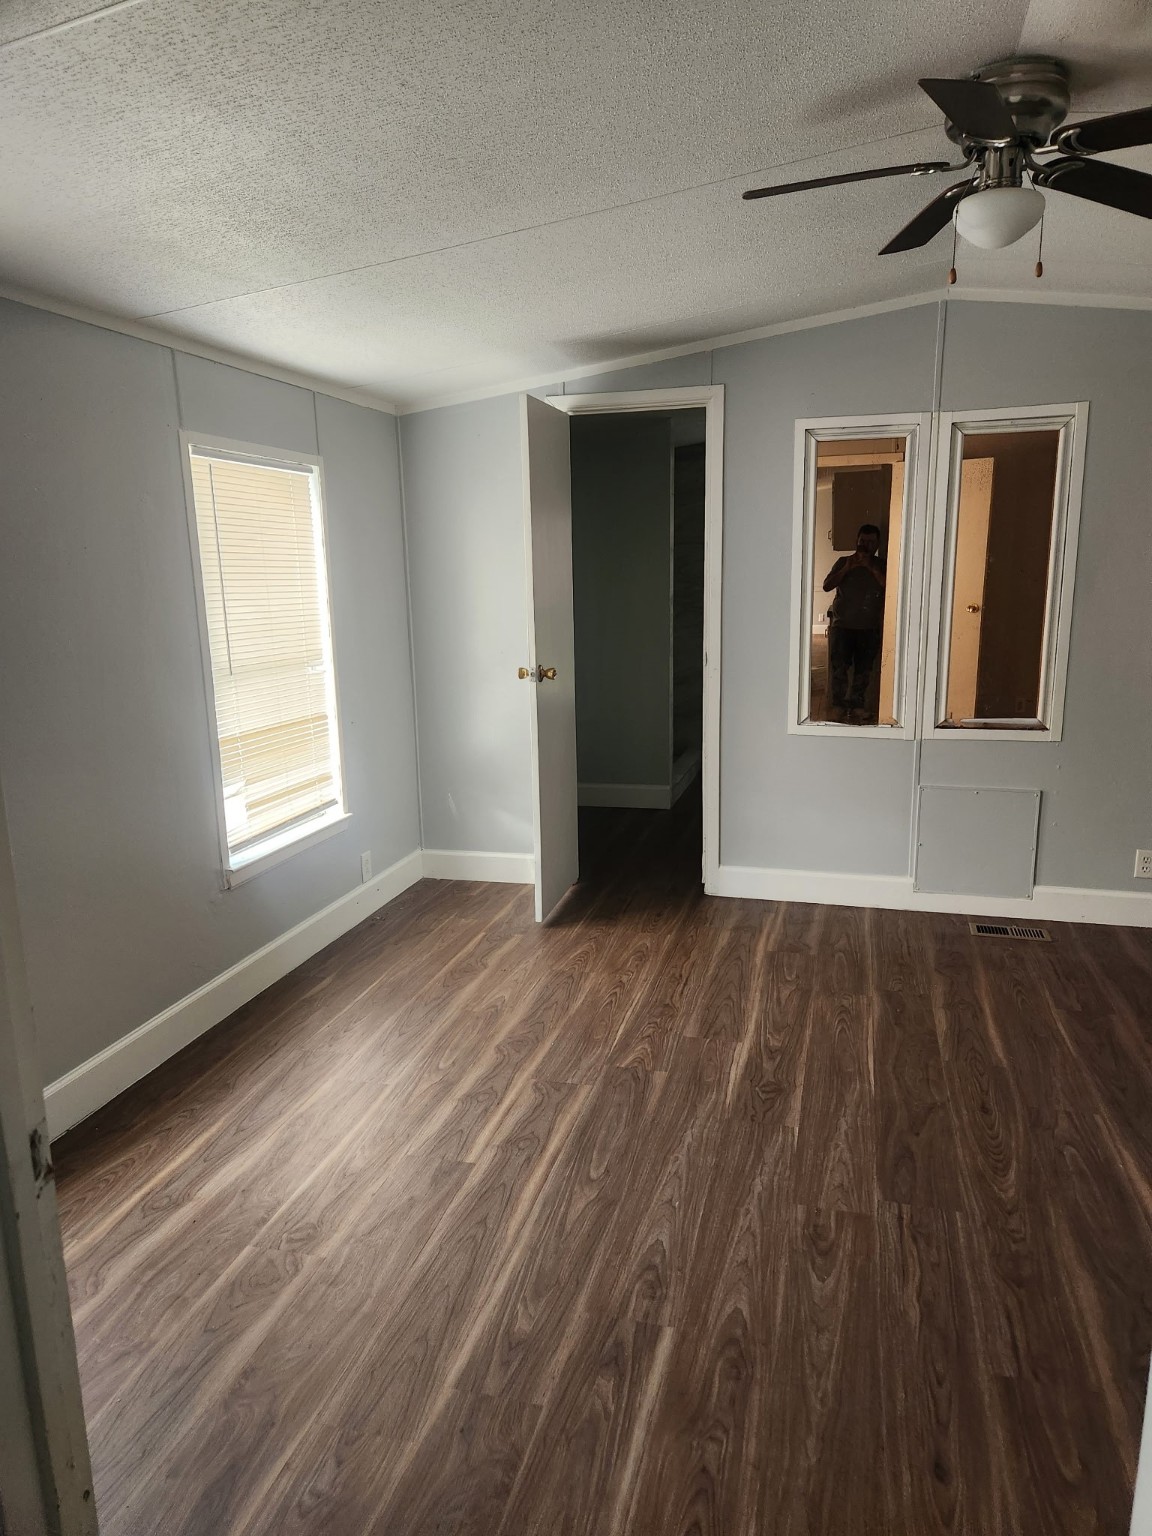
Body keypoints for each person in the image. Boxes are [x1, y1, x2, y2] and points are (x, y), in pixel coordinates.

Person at [822, 523, 886, 722]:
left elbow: (889, 587)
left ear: (877, 544)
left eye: (871, 542)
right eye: (863, 541)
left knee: (864, 670)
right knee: (839, 669)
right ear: (856, 541)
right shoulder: (843, 561)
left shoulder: (882, 564)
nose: (866, 545)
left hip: (869, 627)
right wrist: (847, 568)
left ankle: (858, 706)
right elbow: (826, 586)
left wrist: (870, 568)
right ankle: (839, 707)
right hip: (842, 626)